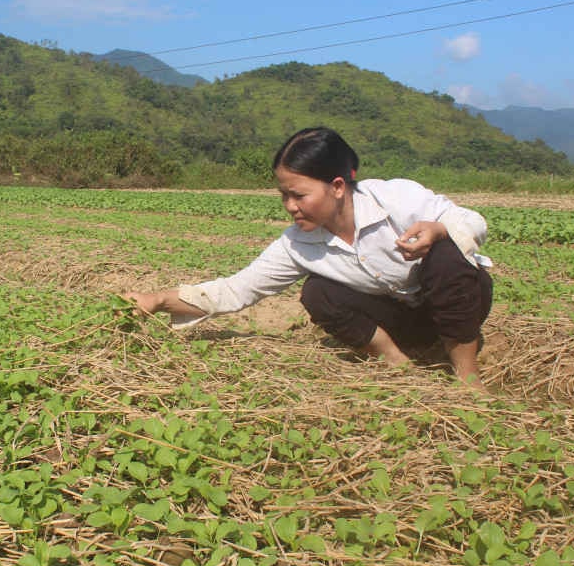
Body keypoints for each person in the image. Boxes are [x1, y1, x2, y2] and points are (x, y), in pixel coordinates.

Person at [125, 127, 494, 388]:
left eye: (298, 195)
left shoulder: (393, 197)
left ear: (336, 187)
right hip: (404, 320)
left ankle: (467, 377)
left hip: (459, 302)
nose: (290, 206)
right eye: (283, 195)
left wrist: (437, 230)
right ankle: (397, 364)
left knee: (447, 255)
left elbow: (472, 222)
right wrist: (157, 300)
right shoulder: (298, 244)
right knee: (318, 292)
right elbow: (237, 290)